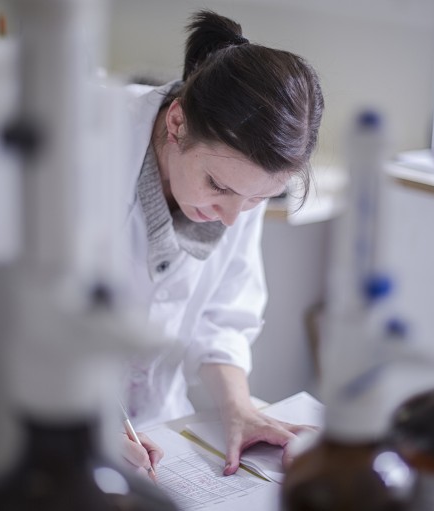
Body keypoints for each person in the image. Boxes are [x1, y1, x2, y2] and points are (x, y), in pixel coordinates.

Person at [116, 9, 324, 478]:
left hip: (159, 425)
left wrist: (239, 408)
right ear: (176, 123)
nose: (233, 216)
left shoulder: (237, 180)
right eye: (219, 186)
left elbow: (223, 316)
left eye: (257, 199)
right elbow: (20, 313)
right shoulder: (86, 147)